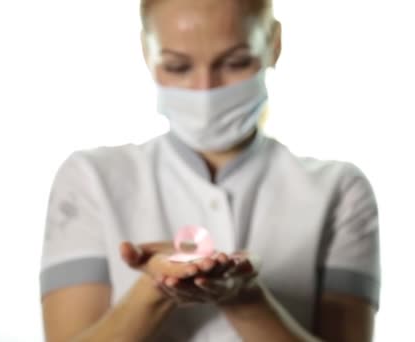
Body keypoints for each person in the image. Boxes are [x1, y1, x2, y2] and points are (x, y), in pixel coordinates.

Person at [40, 0, 381, 341]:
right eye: (177, 66)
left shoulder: (339, 190)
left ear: (274, 44)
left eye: (235, 62)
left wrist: (245, 298)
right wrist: (157, 287)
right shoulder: (90, 179)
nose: (205, 89)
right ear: (147, 51)